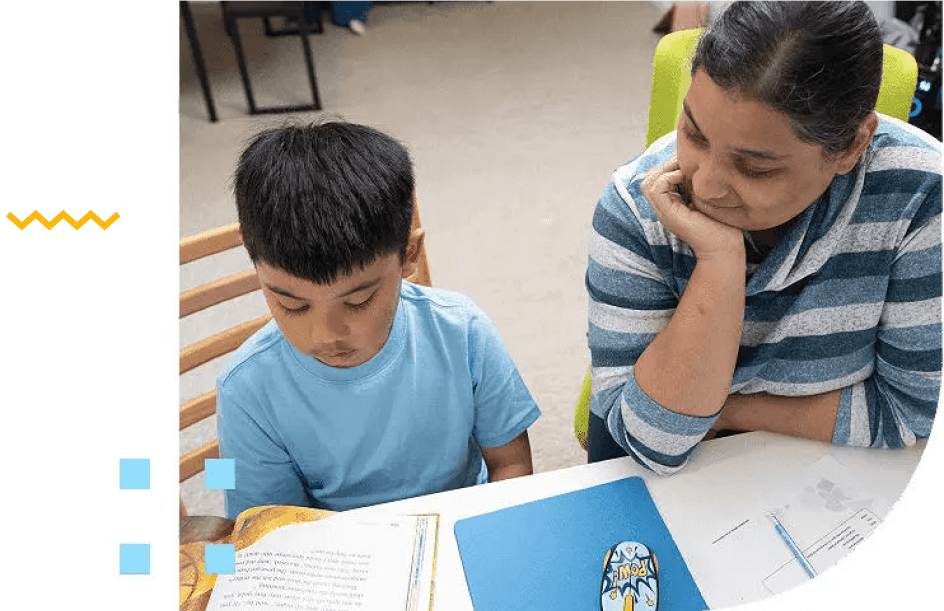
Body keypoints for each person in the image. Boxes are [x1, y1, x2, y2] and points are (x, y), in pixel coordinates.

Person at [586, 0, 941, 471]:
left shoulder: (920, 195)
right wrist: (718, 262)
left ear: (853, 145)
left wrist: (730, 409)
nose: (705, 186)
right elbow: (652, 441)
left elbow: (910, 412)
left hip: (822, 472)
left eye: (755, 167)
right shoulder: (637, 205)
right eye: (693, 133)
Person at [218, 121, 541, 519]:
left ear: (408, 254)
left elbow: (511, 466)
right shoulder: (245, 392)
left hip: (464, 528)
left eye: (357, 300)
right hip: (336, 558)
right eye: (293, 306)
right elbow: (267, 530)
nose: (325, 335)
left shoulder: (464, 332)